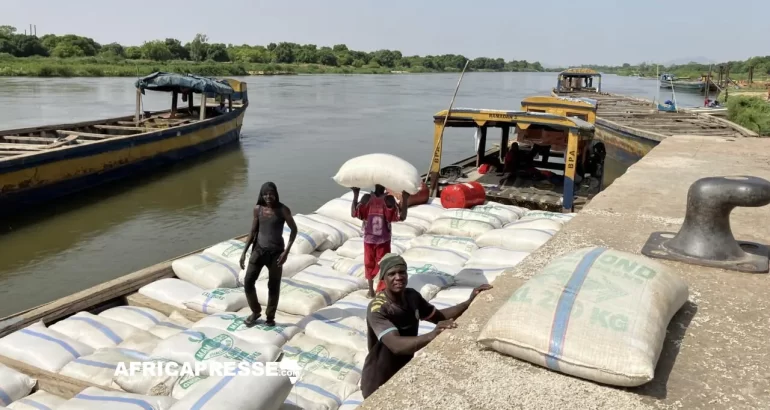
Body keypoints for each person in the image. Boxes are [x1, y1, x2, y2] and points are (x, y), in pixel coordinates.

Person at [360, 254, 493, 398]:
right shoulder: (378, 308)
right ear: (383, 279)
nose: (398, 277)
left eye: (402, 272)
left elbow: (439, 317)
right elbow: (396, 345)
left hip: (402, 372)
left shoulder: (411, 297)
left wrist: (469, 302)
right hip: (378, 377)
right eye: (392, 274)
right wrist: (433, 334)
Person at [239, 182, 297, 327]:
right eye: (265, 194)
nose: (268, 197)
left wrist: (286, 252)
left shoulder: (283, 210)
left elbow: (294, 230)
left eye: (271, 193)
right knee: (248, 282)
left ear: (276, 194)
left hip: (276, 254)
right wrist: (244, 251)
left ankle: (270, 317)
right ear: (261, 195)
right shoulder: (257, 209)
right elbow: (252, 232)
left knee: (273, 285)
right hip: (258, 251)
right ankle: (255, 311)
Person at [350, 184, 409, 298]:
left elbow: (354, 213)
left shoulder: (379, 199)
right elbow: (402, 216)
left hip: (377, 240)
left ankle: (378, 290)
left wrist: (356, 194)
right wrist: (405, 199)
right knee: (377, 264)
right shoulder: (386, 199)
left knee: (377, 265)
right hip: (377, 239)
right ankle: (374, 290)